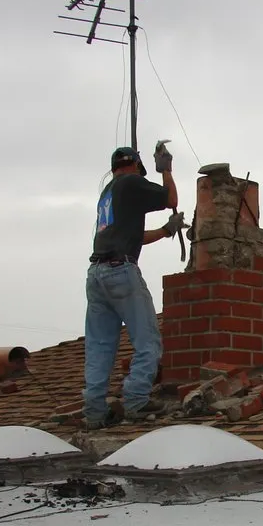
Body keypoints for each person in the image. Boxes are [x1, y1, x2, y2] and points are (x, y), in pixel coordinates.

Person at [83, 143, 187, 429]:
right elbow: (171, 197)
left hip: (96, 275)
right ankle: (136, 400)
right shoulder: (131, 182)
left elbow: (133, 235)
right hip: (121, 271)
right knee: (148, 341)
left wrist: (167, 231)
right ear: (137, 167)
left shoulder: (107, 194)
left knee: (100, 346)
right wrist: (166, 170)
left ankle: (93, 411)